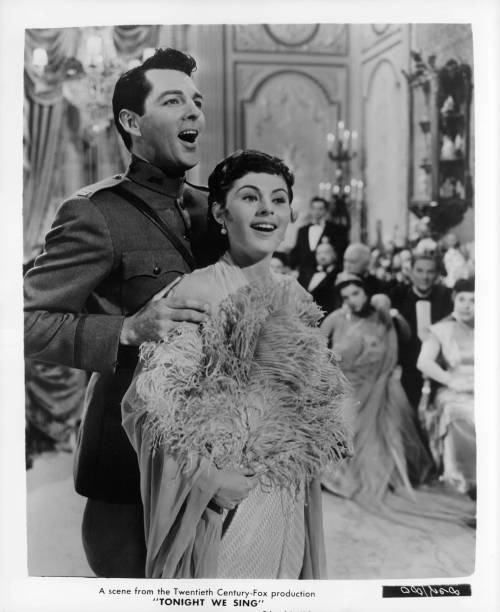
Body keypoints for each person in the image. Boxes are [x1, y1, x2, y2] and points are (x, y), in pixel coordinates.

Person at [24, 48, 210, 577]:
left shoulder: (212, 208)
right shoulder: (95, 212)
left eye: (197, 101)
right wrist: (126, 329)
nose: (194, 112)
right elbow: (24, 320)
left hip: (209, 449)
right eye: (173, 101)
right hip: (127, 452)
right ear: (131, 121)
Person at [121, 150, 351, 579]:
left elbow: (307, 401)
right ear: (220, 213)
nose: (267, 209)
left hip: (288, 491)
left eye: (278, 199)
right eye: (250, 197)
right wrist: (207, 479)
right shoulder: (195, 291)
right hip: (224, 501)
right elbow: (144, 409)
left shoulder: (297, 296)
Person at [320, 273, 475, 525]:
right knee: (344, 426)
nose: (352, 300)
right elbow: (315, 346)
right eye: (346, 297)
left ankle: (382, 477)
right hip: (346, 385)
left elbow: (404, 336)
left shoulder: (382, 315)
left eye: (356, 293)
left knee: (385, 427)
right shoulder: (336, 318)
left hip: (380, 382)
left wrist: (394, 315)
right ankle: (346, 477)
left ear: (366, 292)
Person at [417, 278, 475, 497]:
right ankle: (464, 480)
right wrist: (451, 381)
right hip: (455, 388)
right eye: (462, 299)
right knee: (459, 411)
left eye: (473, 300)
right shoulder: (441, 329)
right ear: (454, 299)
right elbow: (424, 362)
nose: (467, 305)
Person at [389, 254, 453, 412]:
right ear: (410, 272)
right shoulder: (398, 295)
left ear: (437, 274)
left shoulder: (447, 297)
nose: (425, 277)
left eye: (430, 272)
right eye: (419, 271)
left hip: (439, 368)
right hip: (406, 369)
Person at [289, 196, 340, 288]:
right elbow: (297, 251)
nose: (316, 212)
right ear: (310, 210)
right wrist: (292, 269)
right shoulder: (302, 230)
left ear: (326, 211)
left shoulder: (335, 230)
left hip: (326, 277)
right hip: (304, 275)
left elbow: (338, 252)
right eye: (314, 208)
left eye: (320, 209)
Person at [307, 241, 339, 317]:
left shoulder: (338, 274)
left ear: (334, 254)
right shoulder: (307, 273)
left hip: (328, 316)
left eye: (326, 252)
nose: (322, 256)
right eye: (319, 253)